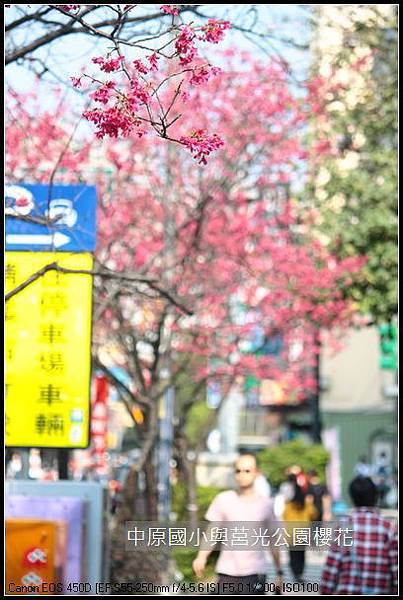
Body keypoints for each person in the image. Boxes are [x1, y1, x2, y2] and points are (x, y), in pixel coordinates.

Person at [192, 453, 283, 595]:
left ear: (257, 473)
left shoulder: (266, 504)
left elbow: (273, 540)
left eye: (247, 471)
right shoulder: (223, 500)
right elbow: (212, 532)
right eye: (238, 470)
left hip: (255, 573)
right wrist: (201, 557)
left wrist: (279, 573)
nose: (242, 474)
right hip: (227, 572)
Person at [320, 476, 398, 595]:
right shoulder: (389, 529)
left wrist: (326, 591)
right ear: (375, 497)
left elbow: (331, 569)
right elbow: (396, 571)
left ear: (352, 498)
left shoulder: (343, 527)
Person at [282, 474, 318, 582]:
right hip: (303, 532)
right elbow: (314, 514)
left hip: (291, 533)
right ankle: (300, 573)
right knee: (301, 554)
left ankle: (295, 572)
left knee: (293, 555)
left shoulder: (289, 505)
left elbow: (284, 515)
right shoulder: (306, 504)